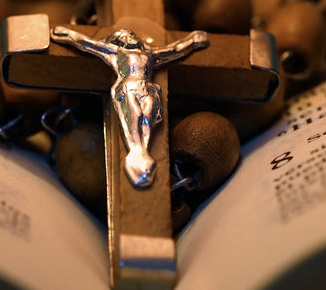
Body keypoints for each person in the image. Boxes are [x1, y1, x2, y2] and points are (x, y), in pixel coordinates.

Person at [50, 26, 209, 187]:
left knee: (149, 119)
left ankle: (143, 152)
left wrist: (192, 42)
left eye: (131, 34)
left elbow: (174, 49)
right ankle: (135, 153)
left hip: (147, 88)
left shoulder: (150, 55)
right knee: (134, 118)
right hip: (129, 87)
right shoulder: (115, 52)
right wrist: (68, 34)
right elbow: (87, 43)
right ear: (119, 41)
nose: (130, 37)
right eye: (124, 36)